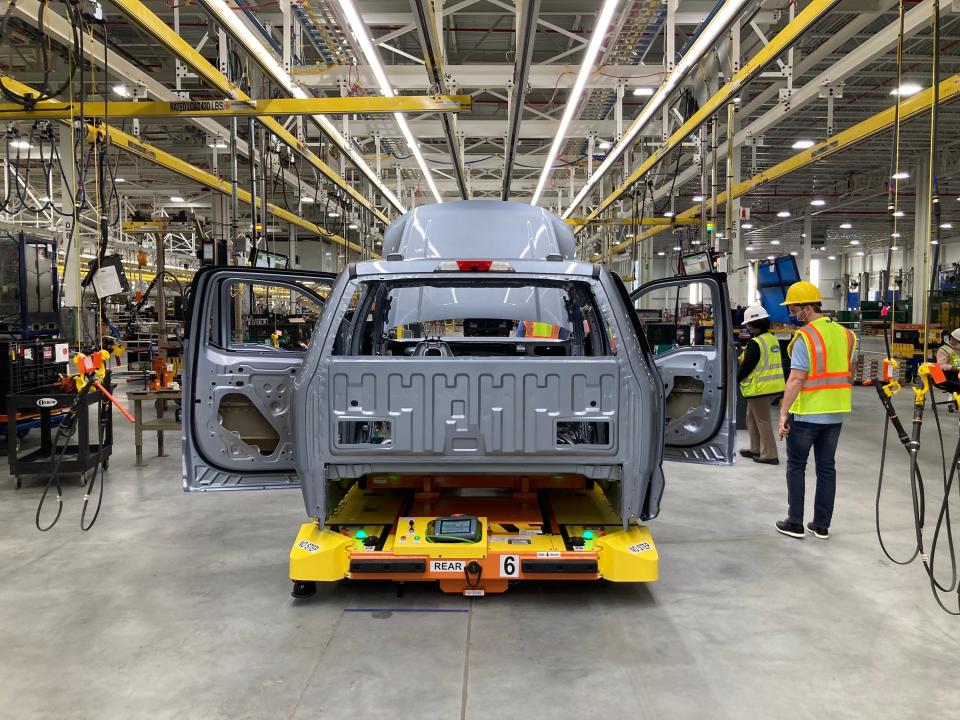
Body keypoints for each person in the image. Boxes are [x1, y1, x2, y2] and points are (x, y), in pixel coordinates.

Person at [775, 281, 857, 540]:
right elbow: (850, 374)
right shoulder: (847, 335)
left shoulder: (806, 337)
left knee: (797, 466)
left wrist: (783, 413)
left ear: (807, 308)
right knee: (826, 468)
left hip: (808, 414)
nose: (792, 314)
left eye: (794, 308)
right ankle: (821, 525)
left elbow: (796, 380)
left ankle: (795, 522)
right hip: (835, 413)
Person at [737, 305, 785, 465]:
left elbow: (747, 365)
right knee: (751, 418)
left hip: (759, 388)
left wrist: (735, 379)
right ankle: (755, 448)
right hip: (769, 386)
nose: (747, 327)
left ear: (753, 324)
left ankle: (770, 454)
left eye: (748, 324)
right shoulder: (772, 339)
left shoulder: (755, 343)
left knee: (762, 421)